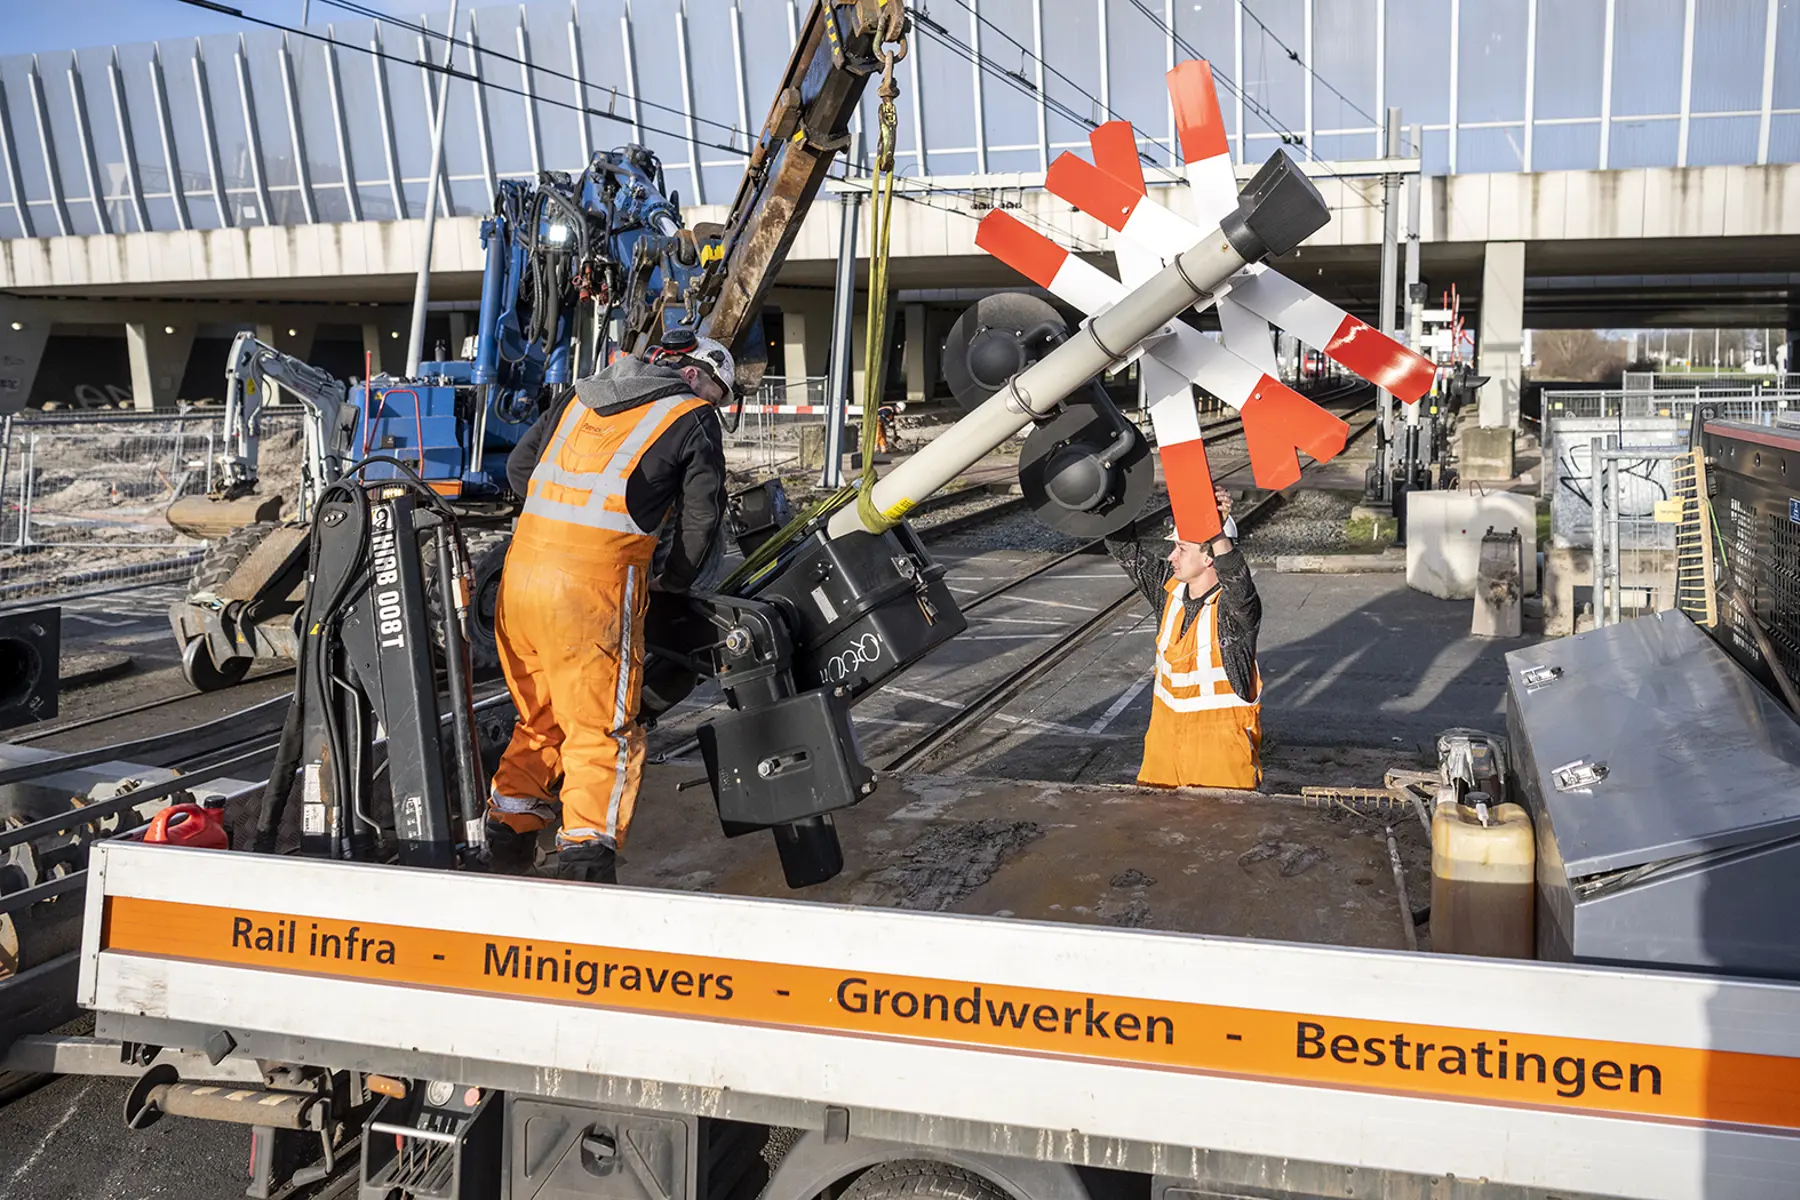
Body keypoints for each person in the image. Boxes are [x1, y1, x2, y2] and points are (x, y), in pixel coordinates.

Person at [485, 331, 733, 883]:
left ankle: (506, 842)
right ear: (695, 375)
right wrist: (673, 581)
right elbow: (702, 520)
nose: (712, 405)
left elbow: (520, 470)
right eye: (716, 393)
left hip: (520, 576)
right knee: (603, 729)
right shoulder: (691, 414)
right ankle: (585, 864)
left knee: (541, 717)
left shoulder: (581, 393)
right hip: (589, 593)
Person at [1105, 488, 1263, 789]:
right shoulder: (1170, 592)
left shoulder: (1235, 614)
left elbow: (1237, 582)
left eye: (1181, 548)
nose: (1171, 556)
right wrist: (1112, 497)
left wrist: (1215, 533)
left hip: (1220, 774)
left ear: (1209, 559)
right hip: (1162, 764)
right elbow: (1125, 549)